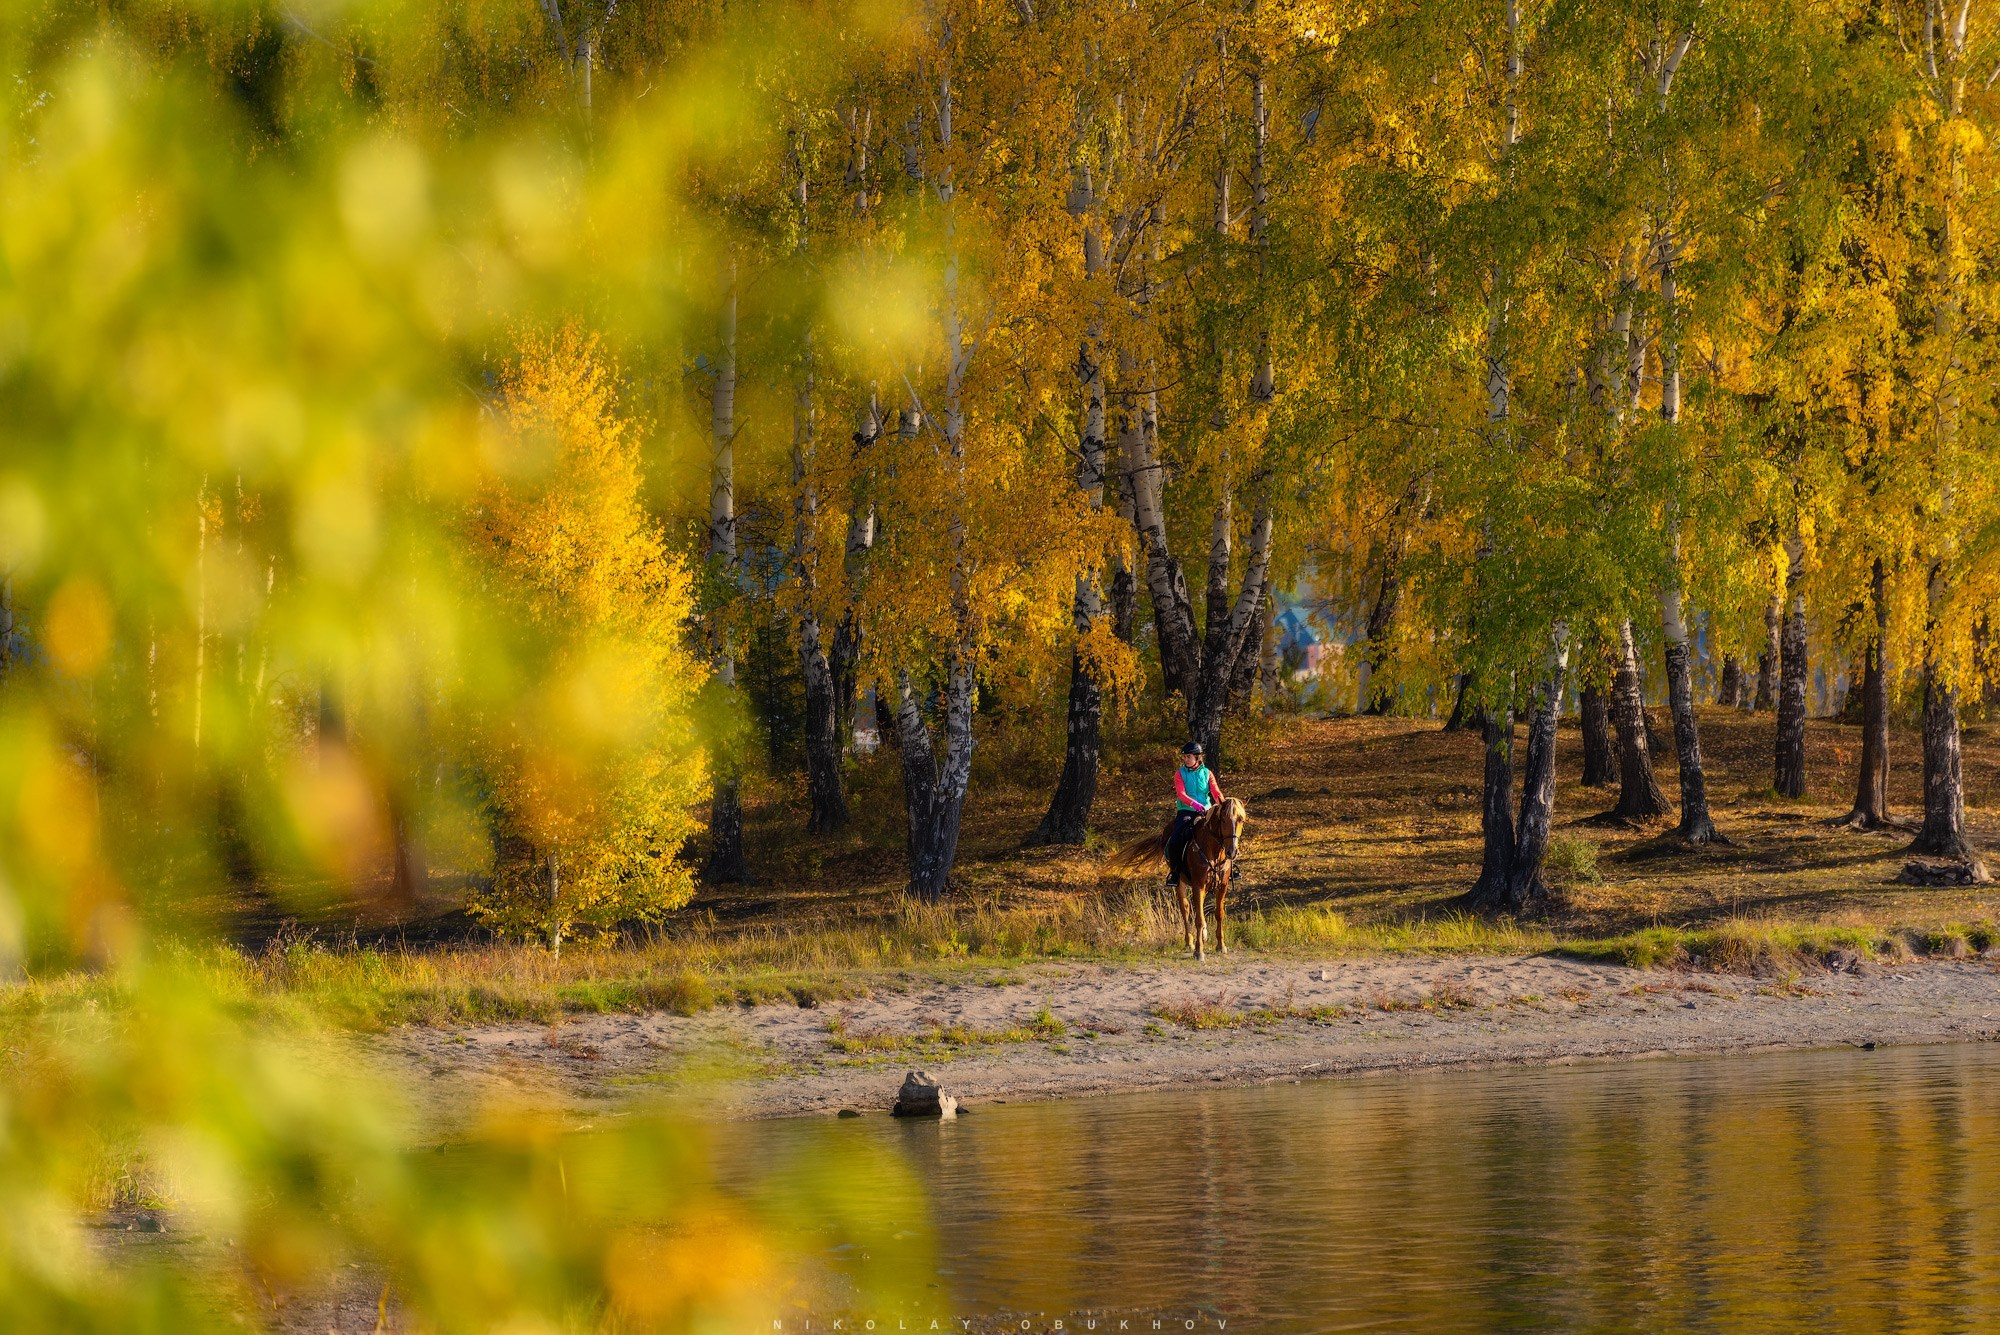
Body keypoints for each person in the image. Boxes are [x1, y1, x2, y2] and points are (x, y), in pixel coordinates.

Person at [1165, 741, 1224, 890]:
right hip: (1186, 811)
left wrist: (1222, 803)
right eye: (1184, 757)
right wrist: (1195, 805)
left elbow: (1215, 792)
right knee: (1176, 839)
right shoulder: (1179, 773)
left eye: (1188, 757)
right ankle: (1175, 872)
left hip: (1207, 810)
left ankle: (1229, 869)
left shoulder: (1207, 773)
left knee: (1225, 832)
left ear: (1198, 757)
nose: (1185, 759)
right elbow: (1181, 794)